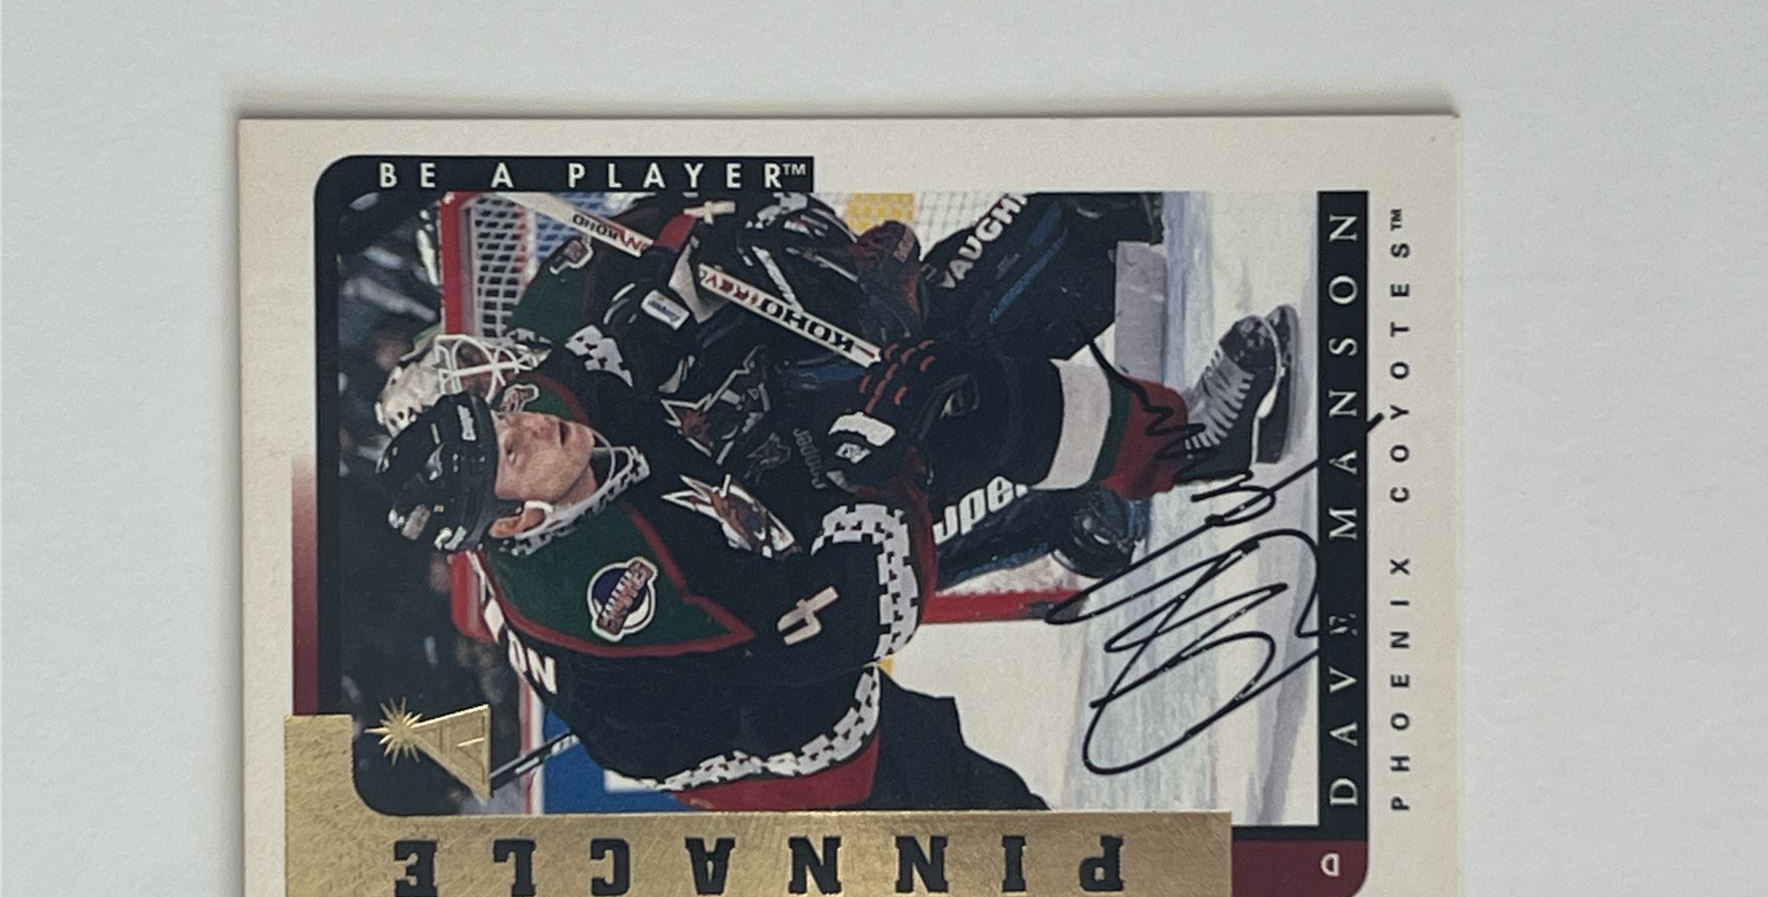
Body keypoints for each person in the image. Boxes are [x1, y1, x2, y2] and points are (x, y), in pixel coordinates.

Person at [377, 190, 1295, 810]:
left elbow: (644, 274)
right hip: (777, 723)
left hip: (744, 513)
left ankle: (1191, 443)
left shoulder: (540, 406)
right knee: (996, 841)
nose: (527, 419)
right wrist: (871, 458)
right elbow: (861, 613)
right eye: (509, 447)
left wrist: (747, 230)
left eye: (500, 412)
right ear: (516, 522)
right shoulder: (615, 592)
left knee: (942, 385)